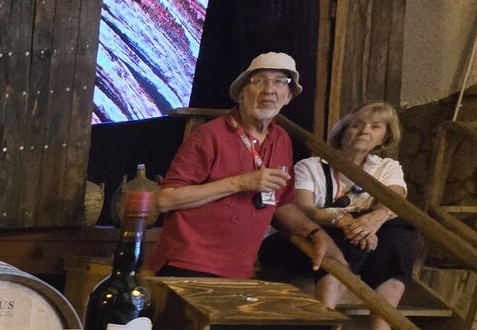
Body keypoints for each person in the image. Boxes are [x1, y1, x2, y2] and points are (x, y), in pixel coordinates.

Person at [147, 52, 342, 279]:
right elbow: (166, 199)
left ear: (288, 96)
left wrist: (314, 233)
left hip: (240, 269)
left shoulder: (281, 139)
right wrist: (242, 183)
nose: (269, 90)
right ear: (241, 94)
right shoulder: (210, 135)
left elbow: (281, 205)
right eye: (259, 81)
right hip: (189, 263)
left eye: (280, 82)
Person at [259, 102, 416, 330]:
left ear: (384, 138)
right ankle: (327, 324)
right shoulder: (310, 166)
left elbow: (394, 199)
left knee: (399, 234)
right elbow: (305, 209)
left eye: (375, 127)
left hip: (361, 243)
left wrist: (372, 221)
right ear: (342, 133)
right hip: (297, 242)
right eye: (357, 125)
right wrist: (345, 220)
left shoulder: (387, 167)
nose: (364, 131)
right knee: (343, 234)